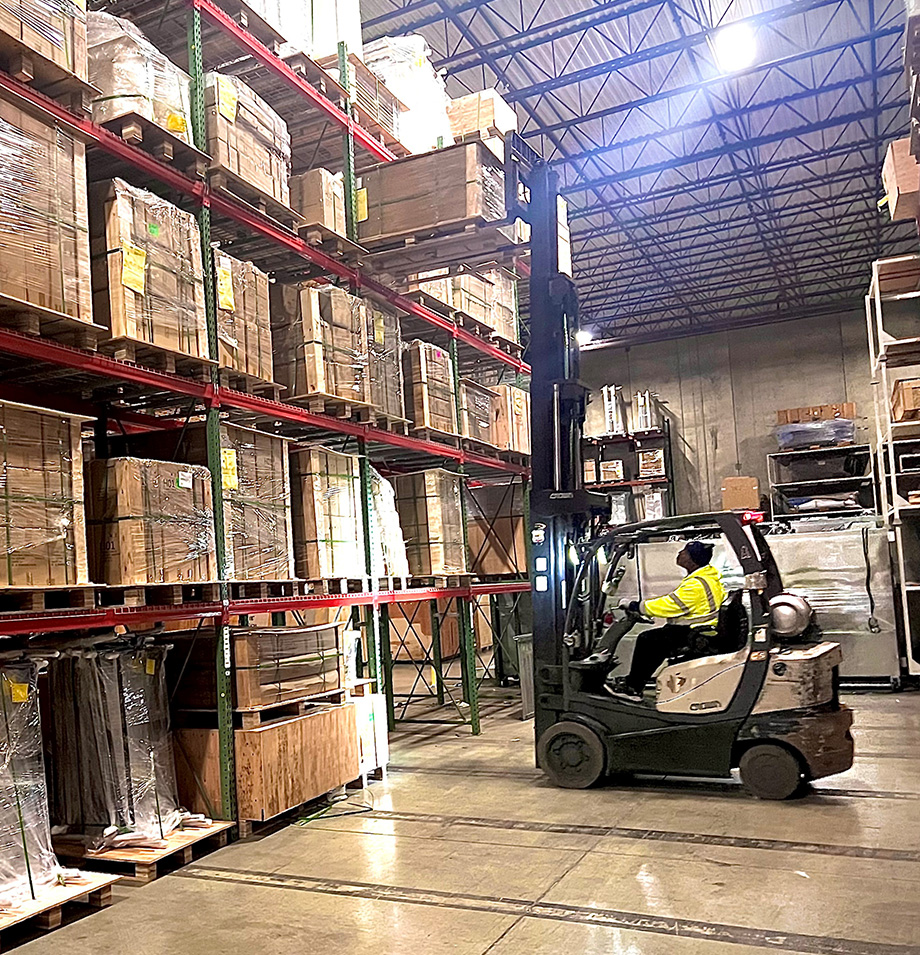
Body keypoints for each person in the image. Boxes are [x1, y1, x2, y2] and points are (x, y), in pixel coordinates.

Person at [609, 541, 726, 701]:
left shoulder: (696, 584)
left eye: (684, 552)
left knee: (647, 640)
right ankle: (635, 681)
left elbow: (670, 604)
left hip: (694, 632)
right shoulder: (707, 576)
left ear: (692, 559)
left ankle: (633, 688)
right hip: (697, 628)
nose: (679, 553)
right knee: (656, 638)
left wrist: (636, 605)